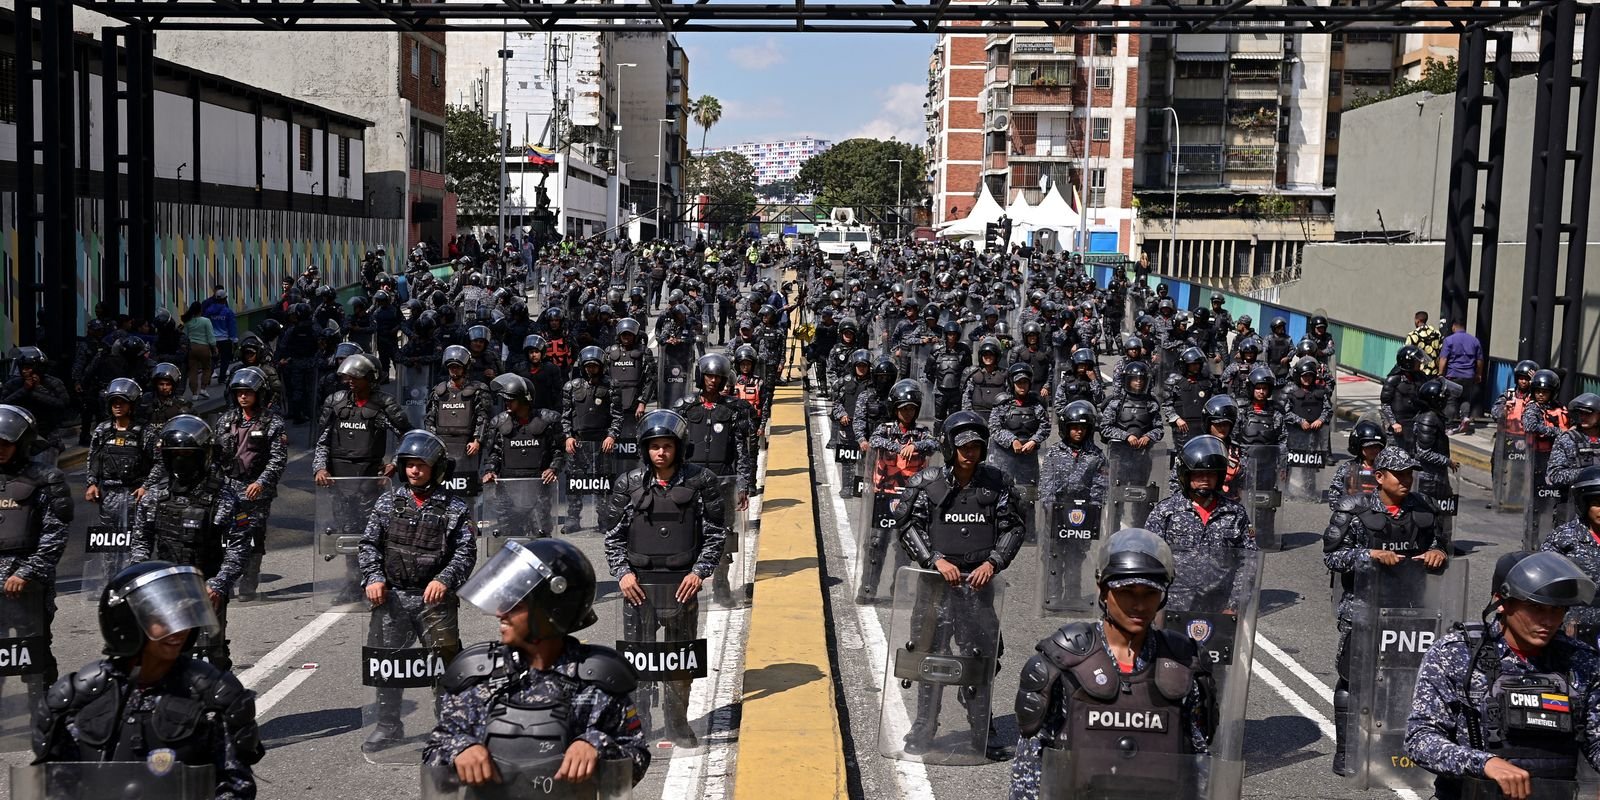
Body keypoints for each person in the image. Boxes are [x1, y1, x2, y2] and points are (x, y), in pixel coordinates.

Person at [422, 539, 650, 791]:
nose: (500, 613)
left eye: (514, 605)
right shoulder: (479, 676)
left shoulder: (594, 684)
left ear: (551, 611)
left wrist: (596, 745)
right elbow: (434, 752)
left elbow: (636, 759)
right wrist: (460, 749)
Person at [1008, 528, 1214, 800]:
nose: (1139, 605)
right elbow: (1032, 762)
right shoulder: (1064, 662)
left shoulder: (1183, 663)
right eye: (1127, 591)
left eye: (1150, 593)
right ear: (1103, 590)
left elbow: (1199, 763)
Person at [30, 561, 264, 798]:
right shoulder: (75, 699)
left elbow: (234, 785)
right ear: (128, 624)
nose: (178, 630)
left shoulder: (213, 694)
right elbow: (56, 785)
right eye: (163, 620)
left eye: (182, 617)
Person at [1406, 551, 1600, 799]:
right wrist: (1483, 763)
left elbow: (1596, 740)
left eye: (1557, 609)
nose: (1548, 621)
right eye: (1536, 608)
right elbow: (1420, 738)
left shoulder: (1582, 661)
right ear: (1502, 602)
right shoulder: (1456, 654)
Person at [895, 409, 1025, 761]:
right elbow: (907, 524)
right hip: (936, 585)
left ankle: (982, 729)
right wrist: (934, 560)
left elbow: (1014, 526)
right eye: (964, 446)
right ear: (950, 447)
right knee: (930, 655)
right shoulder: (926, 482)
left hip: (978, 586)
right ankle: (924, 725)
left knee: (981, 656)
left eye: (976, 447)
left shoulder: (998, 483)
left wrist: (993, 562)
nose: (970, 452)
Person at [600, 410, 727, 746]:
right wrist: (623, 574)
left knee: (679, 662)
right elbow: (612, 537)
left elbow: (716, 534)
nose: (661, 452)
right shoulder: (628, 484)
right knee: (638, 664)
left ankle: (677, 724)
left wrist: (699, 572)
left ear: (679, 447)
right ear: (645, 448)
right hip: (637, 588)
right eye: (654, 446)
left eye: (667, 446)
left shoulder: (702, 482)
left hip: (683, 587)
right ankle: (638, 725)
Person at [1323, 445, 1449, 775]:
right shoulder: (1353, 509)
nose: (1406, 480)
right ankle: (1347, 751)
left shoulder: (1423, 508)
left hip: (1409, 609)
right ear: (1380, 477)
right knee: (1353, 678)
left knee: (1403, 679)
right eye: (1399, 475)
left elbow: (1439, 544)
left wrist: (1438, 553)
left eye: (1410, 475)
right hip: (1363, 609)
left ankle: (1393, 751)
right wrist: (1368, 555)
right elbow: (1332, 557)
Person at [357, 430, 477, 752]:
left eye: (421, 465)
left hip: (434, 602)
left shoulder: (454, 508)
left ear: (435, 468)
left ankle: (448, 729)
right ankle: (388, 726)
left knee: (444, 668)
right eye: (409, 464)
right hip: (392, 599)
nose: (414, 470)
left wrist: (444, 580)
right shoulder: (388, 502)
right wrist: (374, 577)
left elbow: (465, 552)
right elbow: (369, 545)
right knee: (387, 666)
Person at [129, 415, 253, 670]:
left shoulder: (223, 497)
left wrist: (218, 585)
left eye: (187, 454)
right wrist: (140, 579)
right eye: (175, 455)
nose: (180, 460)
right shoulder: (154, 497)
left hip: (206, 588)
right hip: (164, 590)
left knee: (209, 662)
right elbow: (141, 542)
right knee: (160, 659)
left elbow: (238, 546)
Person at [0, 404, 70, 715]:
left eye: (6, 443)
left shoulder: (46, 480)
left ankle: (42, 720)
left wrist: (26, 572)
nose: (0, 450)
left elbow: (55, 535)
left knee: (34, 657)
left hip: (27, 588)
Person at [213, 368, 290, 602]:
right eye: (239, 393)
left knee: (253, 535)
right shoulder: (226, 420)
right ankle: (224, 581)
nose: (243, 397)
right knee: (223, 534)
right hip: (228, 487)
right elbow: (214, 456)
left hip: (255, 490)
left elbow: (277, 459)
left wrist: (260, 483)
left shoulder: (272, 422)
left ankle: (249, 582)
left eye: (248, 393)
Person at [1540, 467, 1600, 642]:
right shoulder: (1564, 537)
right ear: (1585, 504)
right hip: (1575, 628)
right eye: (1597, 503)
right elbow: (1545, 584)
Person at [1438, 320, 1484, 434]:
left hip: (1453, 375)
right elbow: (1480, 360)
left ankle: (1448, 426)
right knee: (1465, 398)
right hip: (1469, 375)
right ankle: (1465, 418)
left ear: (1454, 327)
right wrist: (1478, 374)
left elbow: (1443, 358)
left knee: (1451, 400)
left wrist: (1440, 373)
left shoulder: (1449, 340)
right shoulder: (1474, 340)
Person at [181, 301, 218, 399]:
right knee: (207, 368)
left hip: (191, 348)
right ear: (200, 310)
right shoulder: (206, 321)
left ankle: (194, 393)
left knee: (193, 370)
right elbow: (210, 336)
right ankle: (203, 389)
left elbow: (185, 336)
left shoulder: (188, 322)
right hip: (204, 347)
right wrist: (214, 347)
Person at [1405, 310, 1443, 377]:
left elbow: (1407, 353)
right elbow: (1442, 353)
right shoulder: (1437, 334)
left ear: (1417, 321)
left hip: (1419, 373)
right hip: (1434, 372)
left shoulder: (1412, 335)